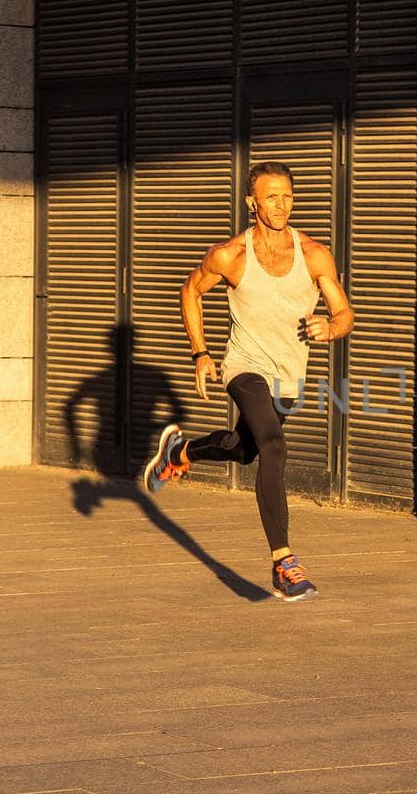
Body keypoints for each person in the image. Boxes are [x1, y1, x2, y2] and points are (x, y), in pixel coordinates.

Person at [139, 161, 354, 601]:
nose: (281, 204)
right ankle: (284, 563)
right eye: (271, 196)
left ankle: (181, 451)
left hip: (289, 378)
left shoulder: (314, 254)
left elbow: (345, 313)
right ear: (251, 201)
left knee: (244, 450)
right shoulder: (230, 256)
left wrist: (330, 328)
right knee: (273, 446)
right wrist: (200, 353)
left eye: (288, 196)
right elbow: (190, 291)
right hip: (245, 366)